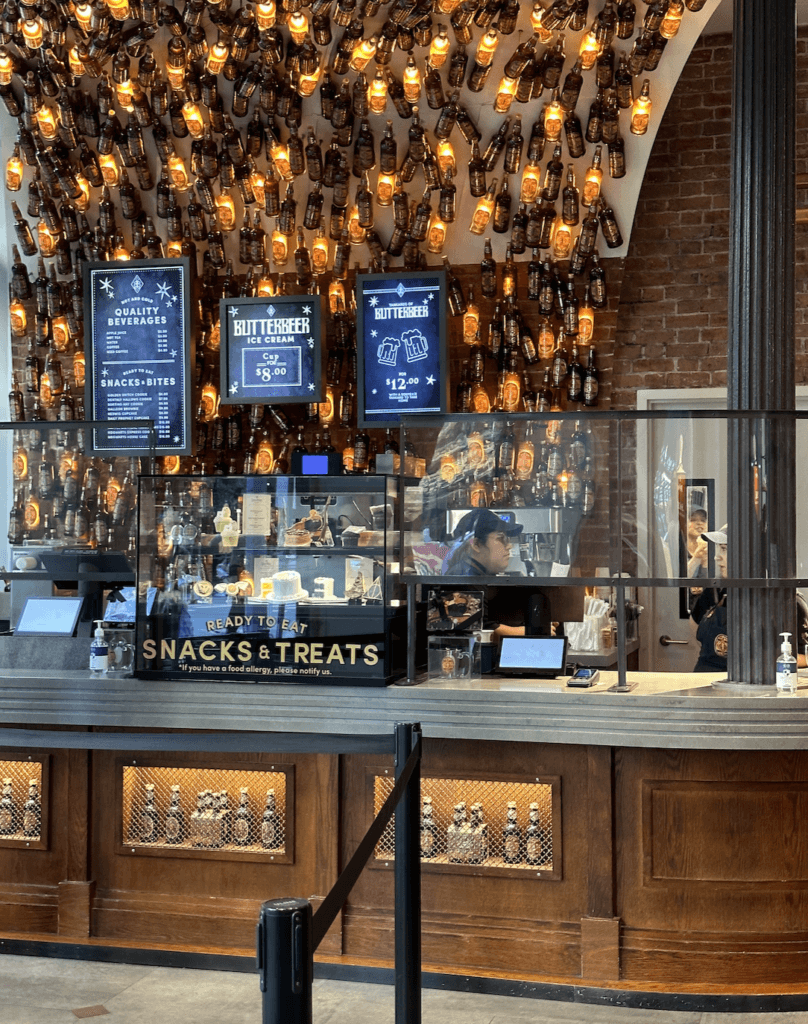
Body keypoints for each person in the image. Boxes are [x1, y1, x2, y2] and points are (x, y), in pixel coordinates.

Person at [690, 525, 808, 672]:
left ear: (749, 555)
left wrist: (766, 660)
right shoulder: (716, 590)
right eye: (719, 549)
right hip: (703, 686)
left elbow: (804, 656)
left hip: (747, 689)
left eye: (725, 549)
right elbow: (696, 622)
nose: (717, 556)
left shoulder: (787, 602)